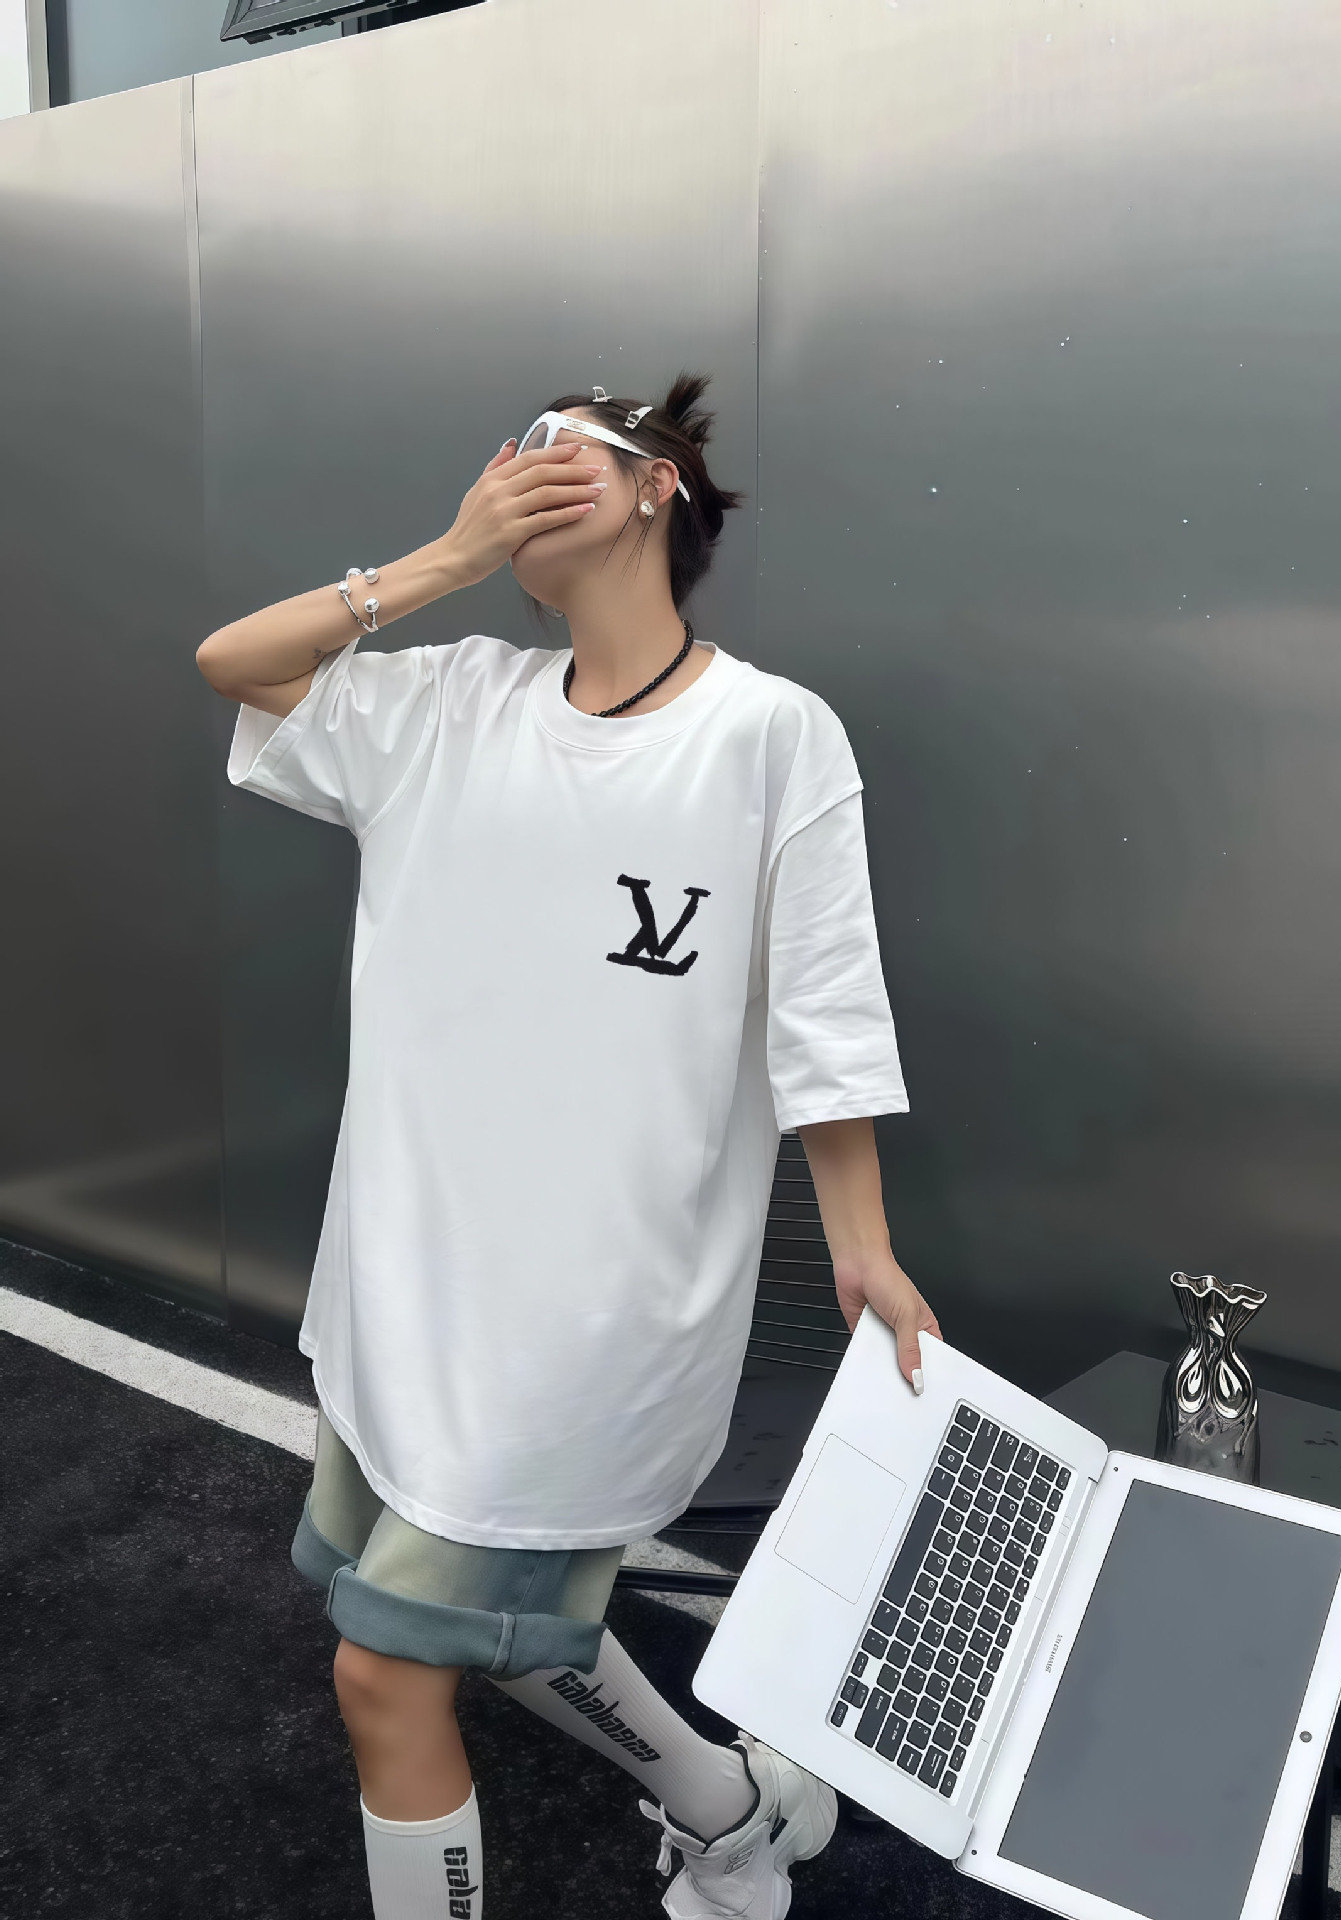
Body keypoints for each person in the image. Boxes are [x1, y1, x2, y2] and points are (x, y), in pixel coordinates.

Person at [196, 371, 941, 1920]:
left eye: (563, 450)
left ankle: (738, 1823)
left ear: (661, 485)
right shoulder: (447, 702)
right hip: (406, 1285)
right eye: (503, 458)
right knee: (480, 1618)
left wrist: (863, 1245)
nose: (522, 471)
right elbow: (233, 663)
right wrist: (442, 561)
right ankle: (738, 1813)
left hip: (589, 1316)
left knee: (386, 1672)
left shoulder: (768, 738)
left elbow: (823, 1014)